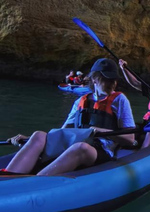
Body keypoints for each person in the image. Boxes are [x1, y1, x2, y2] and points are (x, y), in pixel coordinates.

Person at [3, 58, 136, 176]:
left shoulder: (120, 100)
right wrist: (28, 139)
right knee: (38, 135)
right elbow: (62, 133)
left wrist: (101, 131)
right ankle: (9, 177)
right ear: (94, 79)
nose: (112, 84)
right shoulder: (80, 102)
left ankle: (35, 183)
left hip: (100, 149)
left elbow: (130, 139)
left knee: (80, 148)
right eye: (107, 79)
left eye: (114, 79)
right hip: (74, 143)